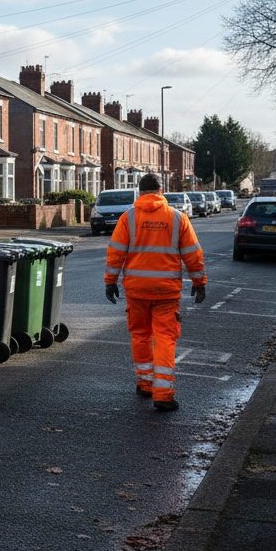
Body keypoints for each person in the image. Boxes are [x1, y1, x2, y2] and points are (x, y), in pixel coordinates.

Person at [105, 173, 206, 412]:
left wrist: (110, 282)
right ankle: (163, 394)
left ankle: (145, 383)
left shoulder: (128, 218)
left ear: (140, 192)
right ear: (161, 191)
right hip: (166, 292)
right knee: (165, 338)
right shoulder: (177, 218)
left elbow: (116, 252)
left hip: (137, 290)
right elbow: (193, 254)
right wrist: (199, 283)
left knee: (140, 335)